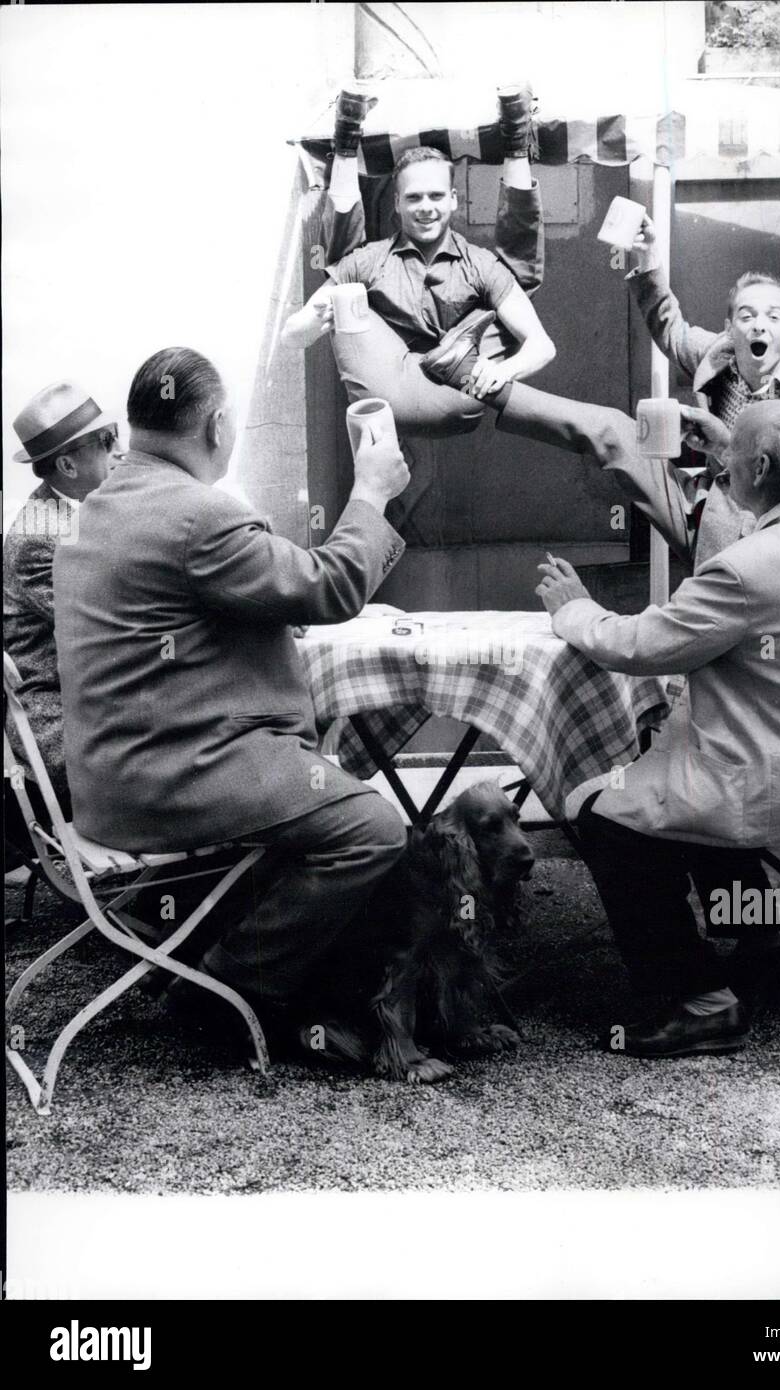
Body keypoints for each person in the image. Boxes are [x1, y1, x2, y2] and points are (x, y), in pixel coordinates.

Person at [54, 347, 411, 1053]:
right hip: (172, 778)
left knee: (326, 792)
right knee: (374, 828)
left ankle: (255, 961)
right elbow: (330, 588)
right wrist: (370, 493)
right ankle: (232, 987)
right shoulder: (197, 515)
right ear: (217, 425)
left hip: (110, 779)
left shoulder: (103, 510)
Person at [535, 401, 780, 1058]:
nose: (720, 465)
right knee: (686, 788)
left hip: (776, 779)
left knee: (606, 816)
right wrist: (743, 447)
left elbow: (640, 646)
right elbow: (775, 515)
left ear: (756, 466)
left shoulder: (748, 569)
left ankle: (699, 998)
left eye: (731, 459)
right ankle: (762, 941)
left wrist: (572, 609)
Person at [416, 222, 780, 571]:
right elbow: (667, 323)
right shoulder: (714, 354)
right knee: (613, 429)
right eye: (746, 315)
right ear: (731, 328)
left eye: (771, 316)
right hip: (706, 518)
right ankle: (484, 381)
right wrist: (649, 258)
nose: (758, 325)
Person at [282, 103, 556, 438]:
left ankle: (516, 142)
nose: (426, 207)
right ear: (397, 204)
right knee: (345, 275)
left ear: (454, 199)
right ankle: (346, 139)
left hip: (456, 388)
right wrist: (316, 320)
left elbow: (542, 345)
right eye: (414, 198)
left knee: (514, 283)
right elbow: (292, 335)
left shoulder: (480, 265)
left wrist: (504, 370)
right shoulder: (369, 261)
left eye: (436, 196)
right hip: (385, 390)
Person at [4, 380, 119, 810]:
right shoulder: (39, 538)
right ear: (68, 467)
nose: (119, 451)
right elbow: (109, 629)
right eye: (106, 442)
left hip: (100, 702)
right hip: (62, 723)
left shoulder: (81, 511)